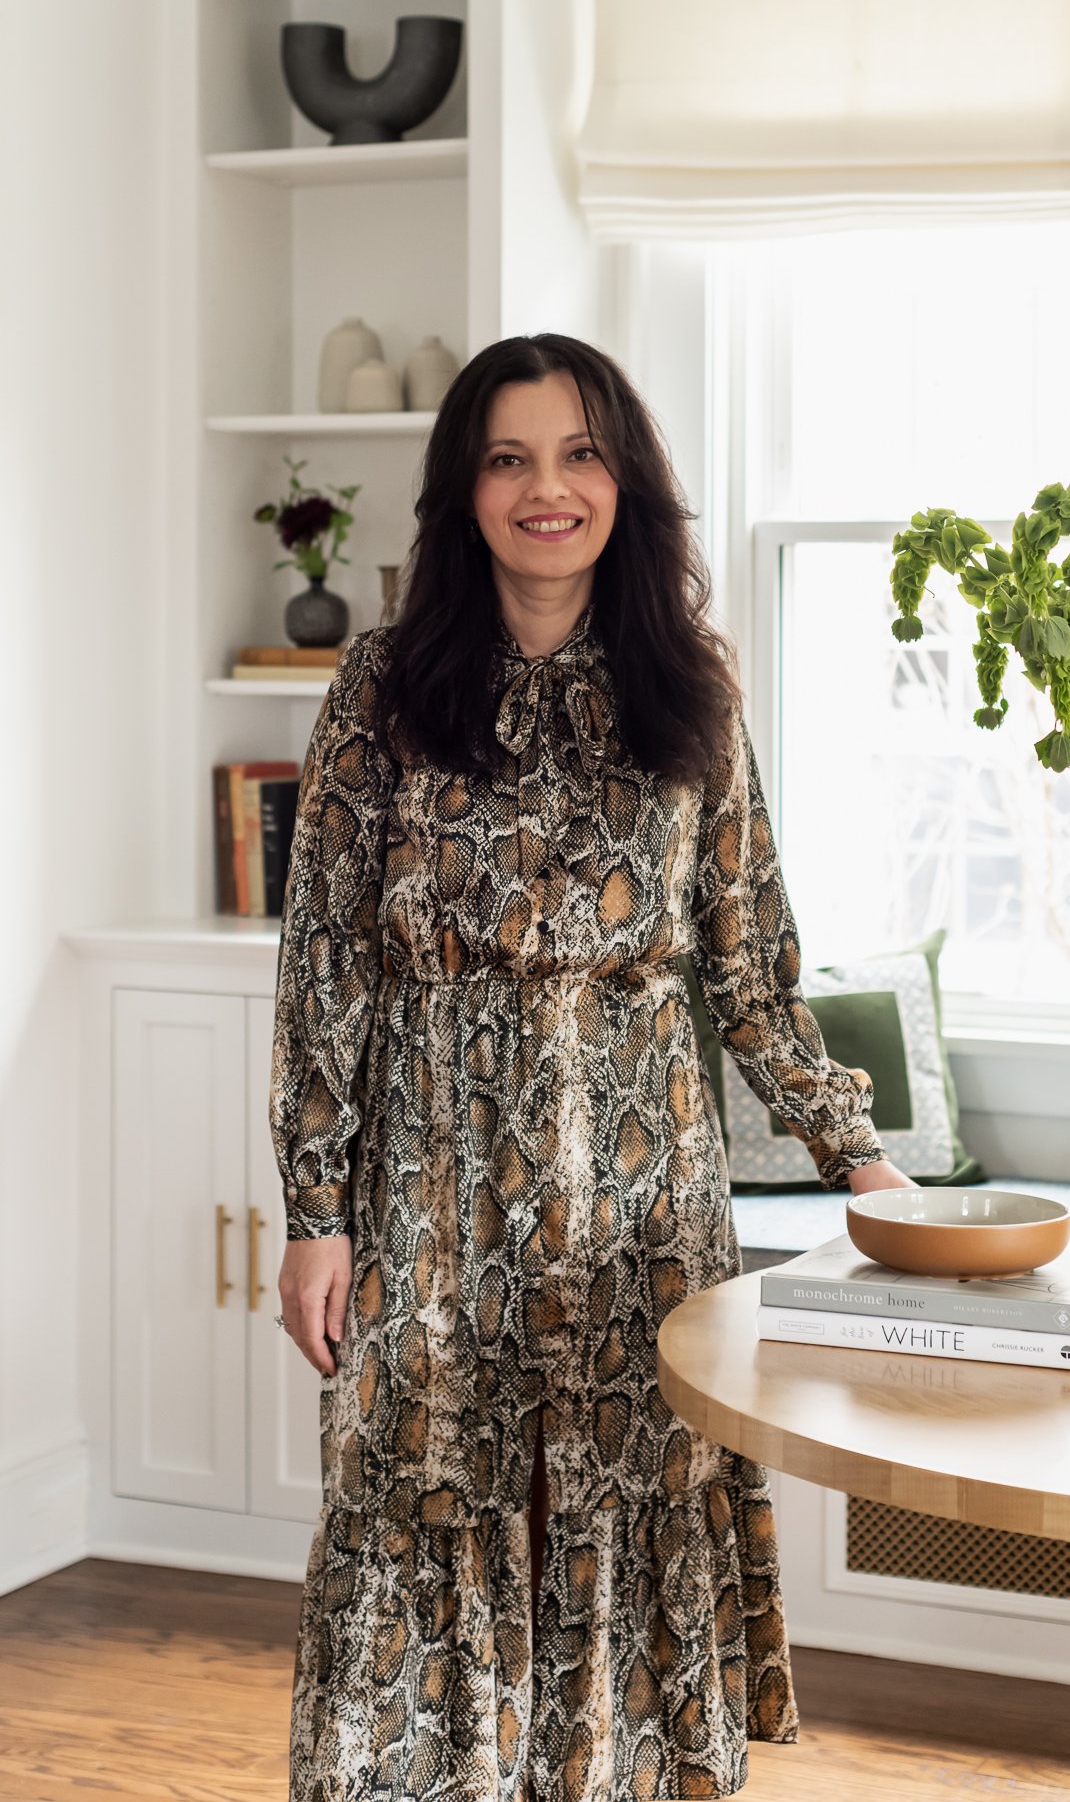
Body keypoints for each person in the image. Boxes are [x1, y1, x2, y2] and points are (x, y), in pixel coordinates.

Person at [270, 331, 914, 1802]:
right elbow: (327, 964)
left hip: (640, 1219)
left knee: (628, 1515)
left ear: (624, 482)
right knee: (414, 1517)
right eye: (507, 458)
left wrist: (860, 1160)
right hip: (429, 1202)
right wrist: (314, 1210)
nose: (545, 488)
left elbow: (746, 965)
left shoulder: (690, 686)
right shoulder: (380, 684)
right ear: (463, 492)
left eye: (577, 454)